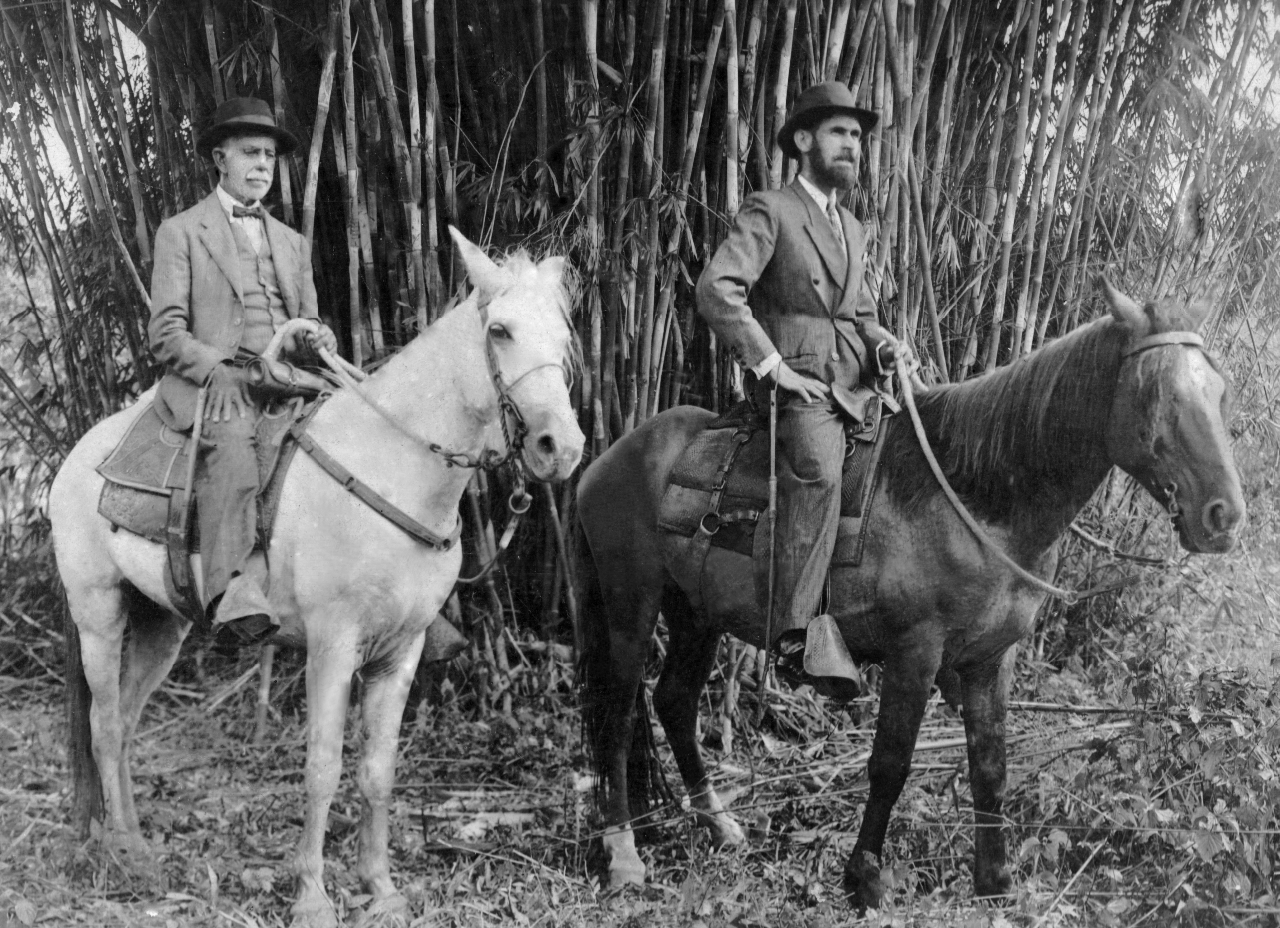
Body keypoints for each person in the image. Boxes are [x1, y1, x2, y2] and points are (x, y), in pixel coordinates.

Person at [696, 81, 913, 691]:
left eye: (858, 137)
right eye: (839, 132)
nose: (853, 146)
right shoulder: (771, 209)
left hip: (857, 384)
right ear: (803, 139)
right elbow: (717, 289)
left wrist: (886, 346)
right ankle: (796, 636)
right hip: (801, 390)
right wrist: (773, 366)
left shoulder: (853, 227)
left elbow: (861, 316)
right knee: (819, 472)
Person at [148, 97, 337, 648]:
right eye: (250, 153)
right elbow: (165, 332)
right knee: (232, 442)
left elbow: (304, 324)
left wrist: (316, 337)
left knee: (359, 433)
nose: (261, 165)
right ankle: (231, 589)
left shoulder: (293, 243)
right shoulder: (181, 231)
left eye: (270, 156)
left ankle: (387, 585)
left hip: (287, 380)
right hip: (215, 382)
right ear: (220, 158)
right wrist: (217, 371)